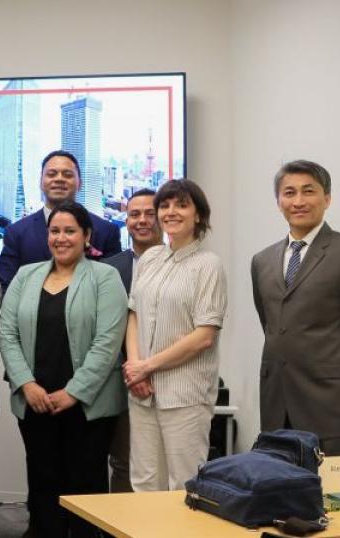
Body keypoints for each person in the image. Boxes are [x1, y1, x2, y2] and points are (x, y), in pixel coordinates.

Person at [0, 201, 127, 537]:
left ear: (87, 236)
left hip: (88, 406)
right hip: (36, 402)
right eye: (54, 231)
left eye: (70, 231)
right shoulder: (26, 275)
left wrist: (74, 392)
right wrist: (26, 384)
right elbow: (7, 333)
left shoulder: (105, 277)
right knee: (43, 485)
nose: (61, 238)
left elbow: (108, 342)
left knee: (85, 489)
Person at [251, 160, 340, 456]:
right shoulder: (262, 260)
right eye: (289, 193)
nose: (298, 201)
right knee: (280, 482)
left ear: (327, 198)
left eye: (308, 191)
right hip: (277, 403)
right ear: (278, 201)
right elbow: (273, 326)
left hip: (332, 402)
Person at [122, 179, 227, 492]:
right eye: (165, 205)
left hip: (185, 395)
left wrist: (147, 366)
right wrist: (135, 367)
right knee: (143, 481)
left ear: (198, 215)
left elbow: (204, 336)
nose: (171, 212)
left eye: (181, 205)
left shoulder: (208, 265)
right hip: (142, 392)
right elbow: (134, 314)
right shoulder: (150, 259)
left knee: (184, 485)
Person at [100, 188, 163, 493]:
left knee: (169, 464)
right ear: (125, 221)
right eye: (135, 214)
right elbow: (104, 329)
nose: (142, 220)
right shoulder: (109, 269)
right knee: (124, 463)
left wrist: (150, 367)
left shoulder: (181, 263)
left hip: (169, 377)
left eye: (150, 213)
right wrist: (132, 371)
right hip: (121, 383)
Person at [0, 150, 121, 289]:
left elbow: (113, 286)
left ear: (80, 183)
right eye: (51, 174)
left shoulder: (106, 231)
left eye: (67, 174)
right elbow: (6, 285)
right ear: (41, 182)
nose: (59, 179)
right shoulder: (16, 233)